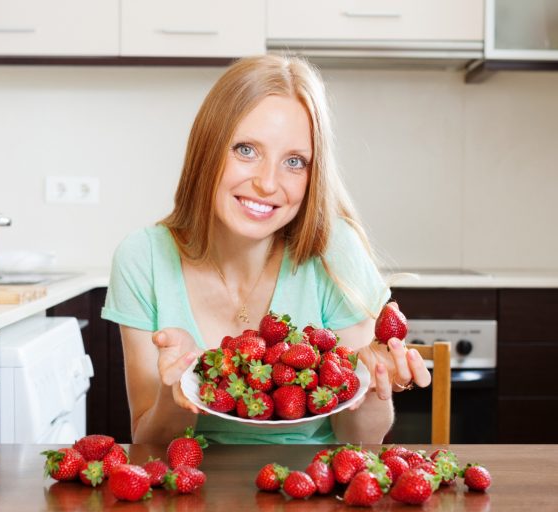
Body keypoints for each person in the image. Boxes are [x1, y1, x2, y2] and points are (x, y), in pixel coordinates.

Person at [101, 54, 430, 445]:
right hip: (193, 496)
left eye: (294, 161)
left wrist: (374, 385)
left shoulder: (334, 249)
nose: (268, 184)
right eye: (246, 150)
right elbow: (149, 444)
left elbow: (359, 442)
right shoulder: (142, 259)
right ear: (207, 149)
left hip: (309, 490)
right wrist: (181, 386)